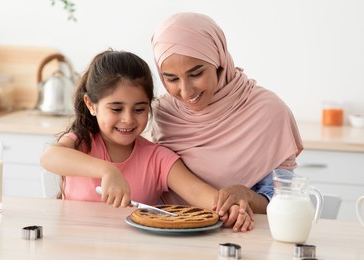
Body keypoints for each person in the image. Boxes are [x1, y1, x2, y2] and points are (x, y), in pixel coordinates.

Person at [40, 49, 253, 231]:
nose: (128, 119)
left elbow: (197, 192)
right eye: (116, 108)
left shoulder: (157, 158)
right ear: (91, 105)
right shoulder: (82, 143)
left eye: (139, 109)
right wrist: (107, 171)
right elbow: (49, 157)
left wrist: (232, 210)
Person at [150, 12, 303, 219]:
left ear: (219, 61)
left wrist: (247, 196)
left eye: (196, 74)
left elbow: (284, 201)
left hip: (242, 237)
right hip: (168, 232)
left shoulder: (268, 112)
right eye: (171, 79)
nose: (186, 92)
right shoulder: (163, 113)